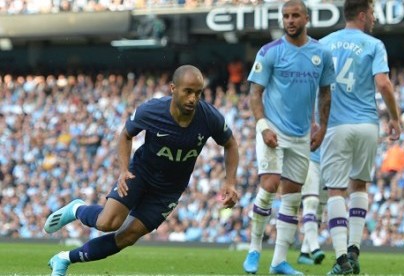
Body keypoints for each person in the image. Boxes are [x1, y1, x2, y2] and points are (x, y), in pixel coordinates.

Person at [44, 65, 240, 276]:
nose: (193, 98)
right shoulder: (153, 110)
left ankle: (63, 259)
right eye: (188, 91)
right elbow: (126, 135)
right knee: (107, 223)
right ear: (173, 88)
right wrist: (123, 170)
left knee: (127, 237)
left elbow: (230, 144)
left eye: (198, 93)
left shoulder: (210, 117)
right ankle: (76, 209)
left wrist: (230, 182)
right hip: (140, 174)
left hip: (168, 191)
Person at [242, 0, 335, 274]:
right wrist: (263, 127)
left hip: (302, 135)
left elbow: (326, 93)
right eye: (286, 16)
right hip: (273, 131)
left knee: (292, 197)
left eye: (295, 15)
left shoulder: (321, 53)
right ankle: (254, 250)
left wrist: (323, 127)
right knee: (269, 185)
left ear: (306, 18)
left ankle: (279, 261)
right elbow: (254, 94)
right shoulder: (269, 52)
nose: (290, 20)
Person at [319, 0, 401, 274]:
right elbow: (383, 83)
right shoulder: (374, 45)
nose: (375, 19)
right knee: (360, 186)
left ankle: (341, 257)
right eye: (373, 14)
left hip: (335, 125)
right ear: (363, 15)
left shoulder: (325, 43)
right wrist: (395, 117)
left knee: (336, 190)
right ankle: (354, 251)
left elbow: (313, 86)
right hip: (367, 124)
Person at [297, 127, 327, 266]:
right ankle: (315, 248)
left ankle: (304, 252)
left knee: (320, 209)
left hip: (329, 162)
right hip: (310, 159)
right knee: (311, 202)